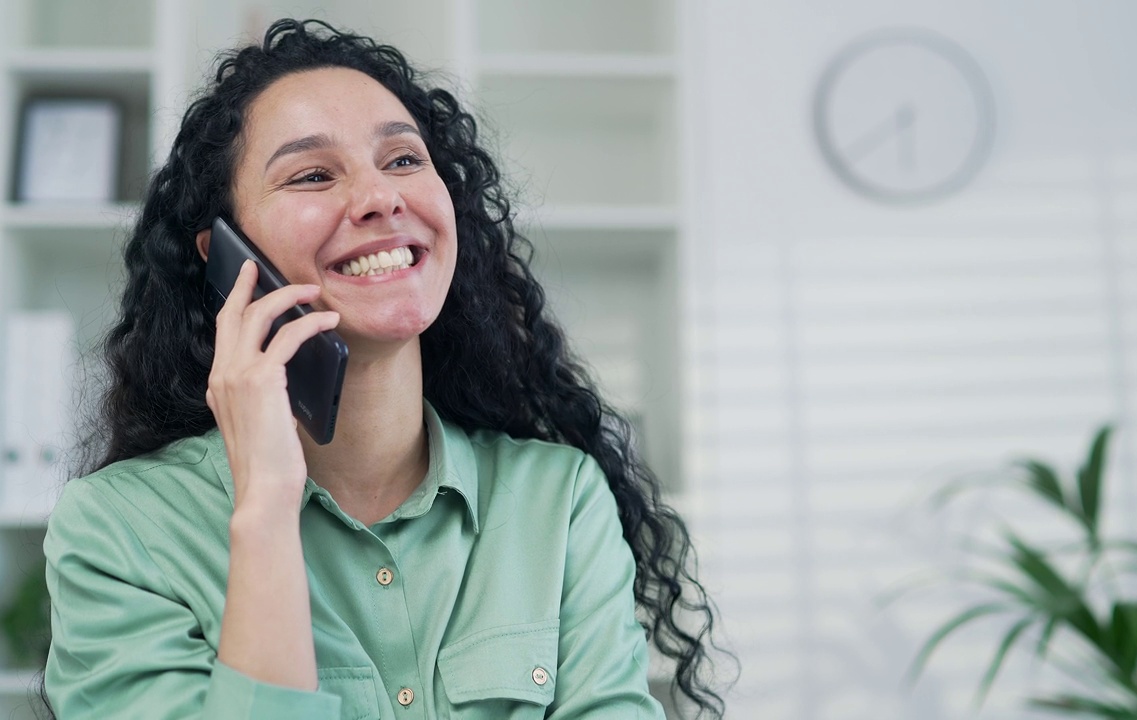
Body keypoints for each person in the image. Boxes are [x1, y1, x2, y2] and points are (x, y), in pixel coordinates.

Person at [42, 18, 727, 719]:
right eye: (312, 174)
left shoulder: (560, 502)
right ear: (226, 254)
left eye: (403, 160)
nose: (381, 198)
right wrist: (267, 513)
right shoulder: (115, 531)